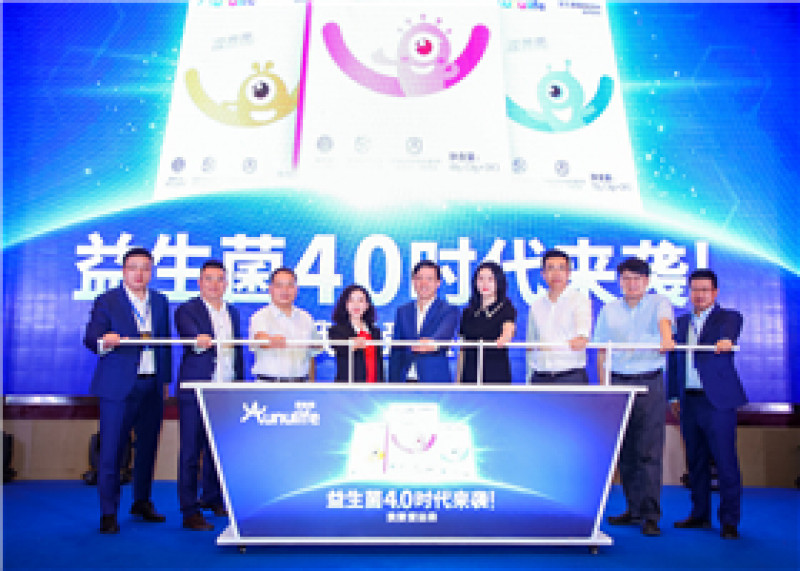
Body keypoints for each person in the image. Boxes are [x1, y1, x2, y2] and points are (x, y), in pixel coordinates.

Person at [83, 247, 172, 534]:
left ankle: (142, 501)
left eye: (145, 268)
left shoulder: (160, 301)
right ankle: (108, 512)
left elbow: (165, 343)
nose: (139, 273)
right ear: (124, 271)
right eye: (133, 267)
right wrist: (104, 341)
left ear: (151, 271)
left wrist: (164, 381)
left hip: (152, 384)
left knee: (148, 447)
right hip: (118, 386)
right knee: (112, 450)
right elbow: (90, 337)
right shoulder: (107, 300)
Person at [594, 257, 675, 537]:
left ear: (647, 281)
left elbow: (665, 324)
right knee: (625, 450)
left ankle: (651, 515)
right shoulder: (609, 310)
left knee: (648, 451)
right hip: (618, 381)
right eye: (626, 278)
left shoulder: (658, 303)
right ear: (620, 281)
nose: (631, 283)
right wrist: (604, 386)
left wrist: (666, 338)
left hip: (648, 381)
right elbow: (602, 351)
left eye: (637, 278)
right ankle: (634, 509)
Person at [667, 269, 746, 540]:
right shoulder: (680, 323)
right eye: (695, 289)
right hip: (688, 400)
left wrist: (726, 341)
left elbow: (729, 333)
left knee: (725, 461)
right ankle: (700, 515)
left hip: (717, 402)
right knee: (696, 461)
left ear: (715, 292)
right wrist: (673, 396)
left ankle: (729, 521)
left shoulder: (728, 318)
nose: (699, 294)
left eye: (704, 289)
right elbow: (674, 361)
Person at [175, 260, 244, 531]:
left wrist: (239, 385)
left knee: (218, 449)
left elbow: (237, 352)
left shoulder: (233, 312)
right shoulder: (187, 310)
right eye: (209, 279)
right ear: (199, 282)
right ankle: (189, 510)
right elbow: (189, 334)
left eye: (219, 279)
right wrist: (198, 339)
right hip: (196, 390)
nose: (214, 284)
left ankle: (212, 497)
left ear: (226, 284)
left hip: (225, 390)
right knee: (190, 452)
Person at [526, 249, 592, 383]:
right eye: (551, 268)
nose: (556, 274)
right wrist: (529, 377)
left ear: (569, 273)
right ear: (543, 274)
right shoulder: (536, 306)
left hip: (570, 376)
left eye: (561, 268)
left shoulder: (579, 301)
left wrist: (550, 347)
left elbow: (581, 341)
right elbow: (531, 345)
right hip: (540, 376)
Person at [388, 260, 459, 382]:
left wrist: (430, 343)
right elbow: (396, 350)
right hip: (406, 381)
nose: (424, 283)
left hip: (434, 380)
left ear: (438, 283)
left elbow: (443, 336)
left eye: (429, 279)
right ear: (413, 282)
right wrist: (393, 382)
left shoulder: (449, 310)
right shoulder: (403, 311)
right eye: (419, 278)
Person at [249, 267, 320, 381]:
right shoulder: (261, 316)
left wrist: (312, 384)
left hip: (301, 384)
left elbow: (312, 354)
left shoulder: (306, 318)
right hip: (270, 384)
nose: (285, 290)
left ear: (296, 289)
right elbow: (261, 339)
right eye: (279, 285)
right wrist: (271, 340)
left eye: (290, 285)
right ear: (270, 289)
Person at [457, 261, 516, 383]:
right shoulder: (468, 312)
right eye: (481, 279)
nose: (485, 284)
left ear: (499, 282)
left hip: (495, 373)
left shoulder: (506, 308)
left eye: (490, 279)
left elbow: (509, 328)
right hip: (470, 373)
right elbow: (463, 349)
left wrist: (504, 338)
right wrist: (458, 380)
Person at [329, 285, 385, 382]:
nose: (356, 305)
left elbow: (379, 363)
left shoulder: (375, 331)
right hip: (349, 386)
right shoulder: (336, 330)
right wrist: (352, 344)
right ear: (345, 305)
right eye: (352, 300)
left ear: (367, 305)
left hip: (374, 386)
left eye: (360, 300)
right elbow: (341, 349)